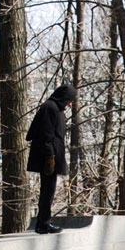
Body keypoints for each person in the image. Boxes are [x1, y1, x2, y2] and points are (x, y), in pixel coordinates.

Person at [26, 83, 75, 233]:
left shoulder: (55, 109)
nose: (70, 104)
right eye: (70, 100)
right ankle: (44, 223)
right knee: (47, 190)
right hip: (48, 157)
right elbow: (45, 134)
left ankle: (43, 222)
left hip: (52, 155)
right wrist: (49, 156)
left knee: (49, 190)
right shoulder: (50, 108)